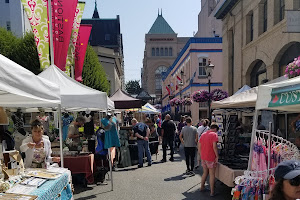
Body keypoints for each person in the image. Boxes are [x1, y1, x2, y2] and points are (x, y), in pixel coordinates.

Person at [198, 124, 219, 197]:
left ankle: (202, 187)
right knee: (212, 175)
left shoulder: (203, 134)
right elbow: (214, 147)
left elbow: (199, 145)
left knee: (205, 173)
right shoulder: (214, 135)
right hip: (211, 157)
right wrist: (217, 156)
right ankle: (212, 192)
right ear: (215, 129)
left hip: (204, 156)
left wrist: (200, 155)